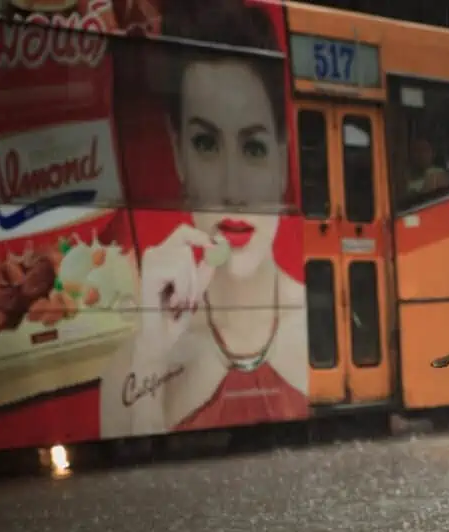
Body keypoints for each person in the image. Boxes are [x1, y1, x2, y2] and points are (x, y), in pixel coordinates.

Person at [100, 0, 308, 438]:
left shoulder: (317, 332)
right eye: (206, 145)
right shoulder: (136, 362)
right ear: (178, 155)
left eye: (253, 148)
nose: (232, 190)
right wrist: (153, 352)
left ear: (282, 158)